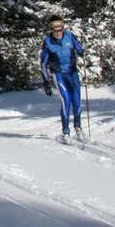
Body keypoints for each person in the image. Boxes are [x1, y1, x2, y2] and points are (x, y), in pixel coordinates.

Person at [39, 14, 85, 142]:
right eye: (55, 30)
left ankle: (78, 127)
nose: (58, 32)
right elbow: (43, 63)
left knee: (77, 102)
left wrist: (81, 51)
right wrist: (46, 81)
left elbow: (79, 47)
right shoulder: (48, 42)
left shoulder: (69, 36)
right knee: (66, 101)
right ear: (51, 29)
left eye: (60, 29)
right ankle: (66, 133)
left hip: (72, 73)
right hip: (58, 74)